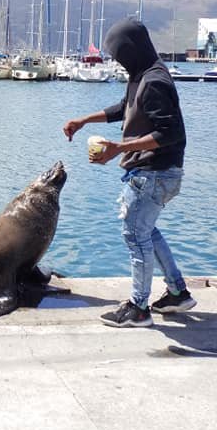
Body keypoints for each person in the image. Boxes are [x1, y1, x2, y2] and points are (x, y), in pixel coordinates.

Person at [63, 17, 195, 328]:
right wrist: (84, 120)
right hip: (155, 173)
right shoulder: (142, 75)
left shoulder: (155, 82)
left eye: (120, 55)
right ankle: (178, 293)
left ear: (132, 50)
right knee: (146, 231)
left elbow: (171, 133)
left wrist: (119, 149)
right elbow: (125, 107)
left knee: (135, 236)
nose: (118, 61)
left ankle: (138, 308)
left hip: (154, 174)